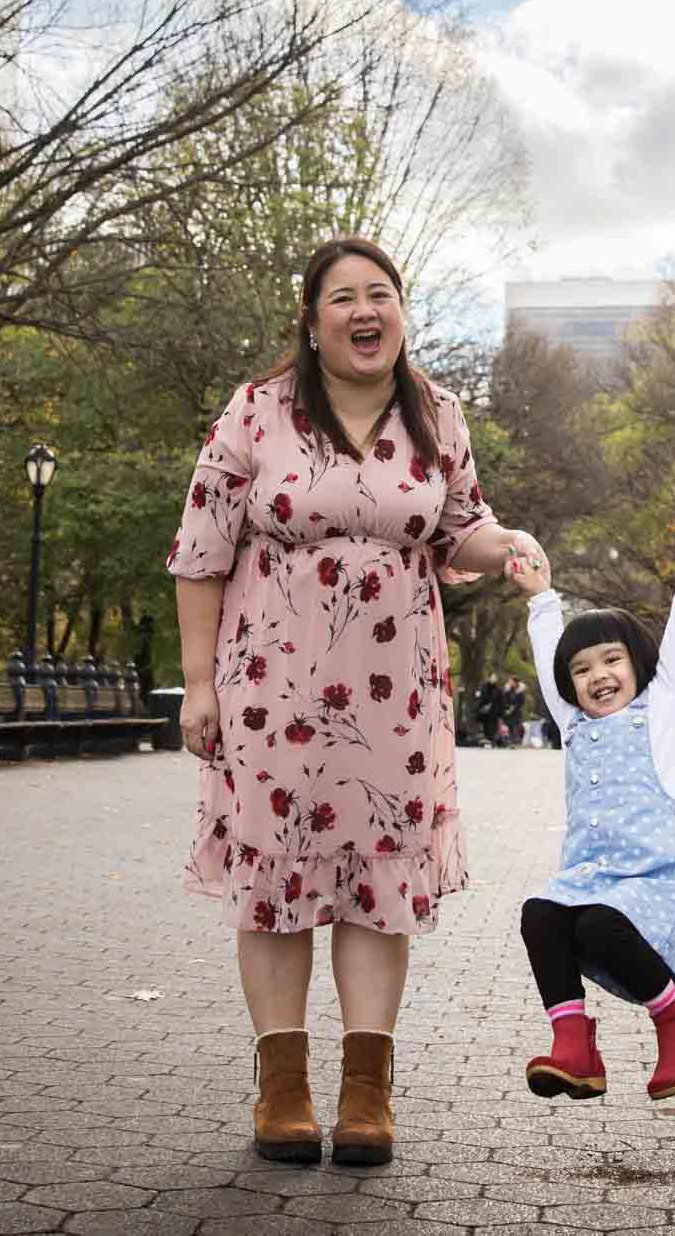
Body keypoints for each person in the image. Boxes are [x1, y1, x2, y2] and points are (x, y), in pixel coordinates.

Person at [169, 235, 548, 1168]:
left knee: (377, 884)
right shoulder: (257, 412)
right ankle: (284, 1087)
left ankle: (367, 1092)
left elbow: (460, 529)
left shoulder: (439, 415)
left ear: (403, 314)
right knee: (276, 883)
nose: (364, 311)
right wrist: (199, 682)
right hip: (271, 689)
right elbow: (200, 546)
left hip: (396, 698)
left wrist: (509, 545)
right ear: (312, 318)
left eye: (381, 294)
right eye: (343, 297)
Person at [506, 517, 675, 1103]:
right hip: (591, 878)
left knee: (601, 924)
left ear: (638, 664)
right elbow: (549, 652)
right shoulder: (574, 725)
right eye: (582, 670)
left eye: (611, 661)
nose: (598, 676)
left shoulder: (659, 712)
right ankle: (573, 1047)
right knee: (541, 915)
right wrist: (541, 596)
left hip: (654, 882)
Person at [476, 674, 501, 746]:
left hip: (494, 712)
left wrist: (500, 712)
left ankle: (491, 741)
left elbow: (500, 701)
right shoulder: (484, 687)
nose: (494, 679)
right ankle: (485, 740)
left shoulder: (498, 689)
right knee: (485, 726)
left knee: (493, 727)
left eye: (495, 678)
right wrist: (481, 708)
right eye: (493, 677)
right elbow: (480, 698)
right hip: (485, 712)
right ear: (489, 678)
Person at [503, 676, 529, 747]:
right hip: (509, 712)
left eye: (511, 681)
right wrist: (507, 708)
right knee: (510, 726)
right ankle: (511, 742)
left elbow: (522, 702)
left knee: (515, 727)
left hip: (516, 712)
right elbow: (505, 699)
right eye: (509, 681)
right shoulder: (508, 690)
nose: (510, 682)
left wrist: (514, 707)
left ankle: (515, 742)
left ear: (515, 682)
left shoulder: (520, 691)